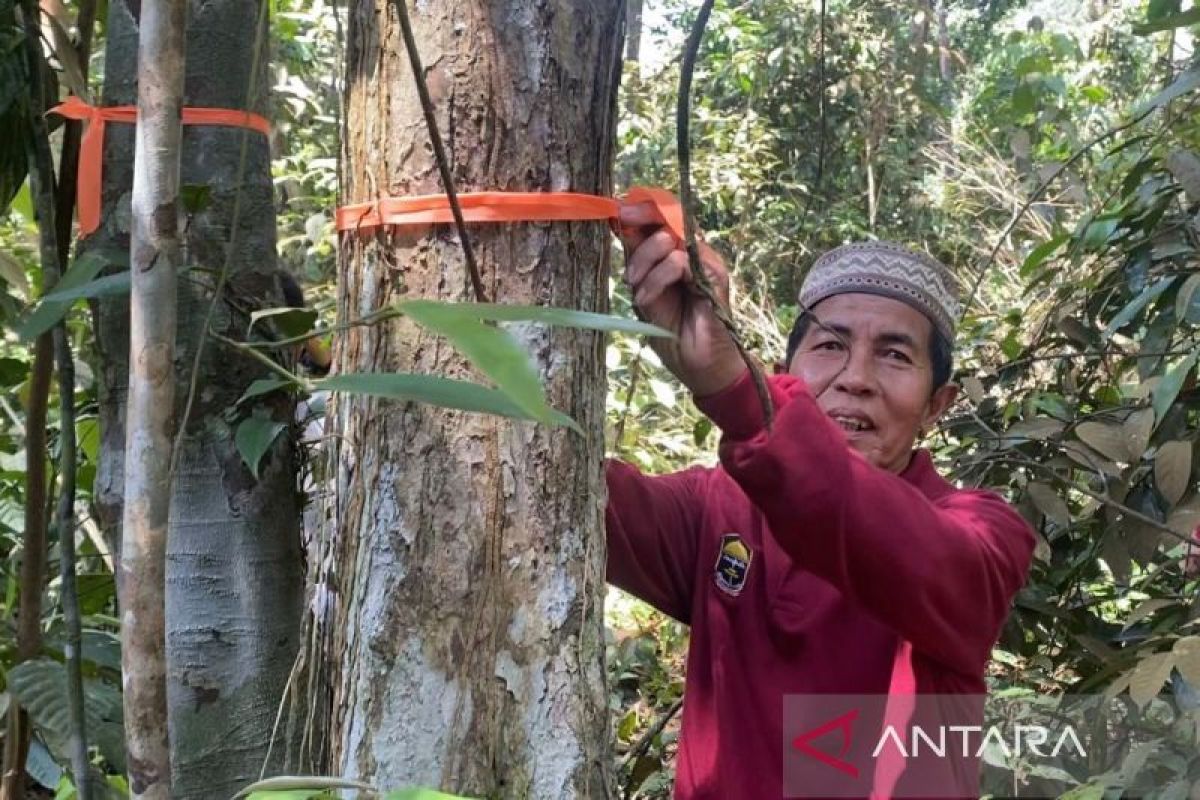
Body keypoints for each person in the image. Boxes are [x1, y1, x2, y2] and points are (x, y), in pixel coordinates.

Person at [606, 202, 1037, 798]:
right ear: (786, 371)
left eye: (894, 354)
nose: (856, 377)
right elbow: (565, 499)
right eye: (830, 346)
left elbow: (902, 546)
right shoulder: (718, 508)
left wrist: (737, 395)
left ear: (938, 405)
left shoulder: (982, 531)